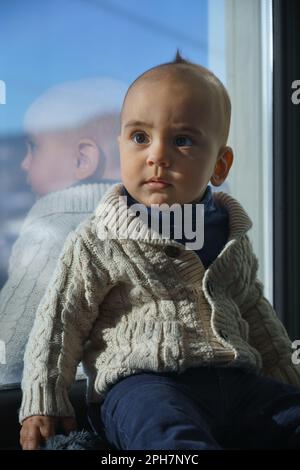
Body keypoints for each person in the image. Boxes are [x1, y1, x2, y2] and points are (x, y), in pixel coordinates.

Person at [19, 52, 300, 451]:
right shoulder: (98, 238)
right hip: (143, 385)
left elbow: (256, 314)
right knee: (168, 438)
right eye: (140, 138)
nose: (157, 155)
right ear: (120, 151)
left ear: (220, 165)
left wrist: (286, 380)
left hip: (239, 385)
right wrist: (43, 399)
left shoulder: (230, 233)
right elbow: (61, 322)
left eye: (182, 140)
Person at [0, 78, 127, 386]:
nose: (26, 164)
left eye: (33, 147)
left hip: (67, 405)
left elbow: (10, 345)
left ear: (82, 160)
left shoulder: (53, 225)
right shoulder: (159, 219)